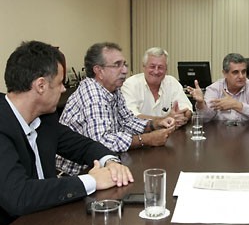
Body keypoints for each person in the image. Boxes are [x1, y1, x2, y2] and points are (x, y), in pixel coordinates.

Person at [0, 41, 134, 225]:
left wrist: (109, 161)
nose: (64, 89)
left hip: (47, 221)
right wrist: (92, 180)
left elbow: (83, 146)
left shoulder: (45, 118)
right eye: (60, 83)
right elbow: (19, 196)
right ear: (40, 85)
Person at [56, 42, 175, 176]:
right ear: (99, 71)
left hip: (104, 164)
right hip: (77, 174)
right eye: (117, 65)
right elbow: (102, 141)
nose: (124, 70)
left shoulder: (113, 89)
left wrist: (154, 124)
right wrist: (147, 139)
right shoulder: (92, 94)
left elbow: (127, 121)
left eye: (124, 64)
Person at [186, 53, 249, 123]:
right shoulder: (214, 88)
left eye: (243, 72)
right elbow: (205, 119)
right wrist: (201, 104)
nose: (241, 76)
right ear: (225, 73)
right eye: (235, 72)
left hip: (247, 136)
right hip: (220, 136)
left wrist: (236, 105)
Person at [121, 47, 192, 128]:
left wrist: (183, 116)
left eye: (160, 67)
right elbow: (131, 117)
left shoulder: (172, 82)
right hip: (140, 136)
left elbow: (187, 108)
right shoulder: (130, 84)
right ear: (144, 67)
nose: (156, 71)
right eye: (152, 66)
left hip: (169, 134)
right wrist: (163, 119)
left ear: (166, 69)